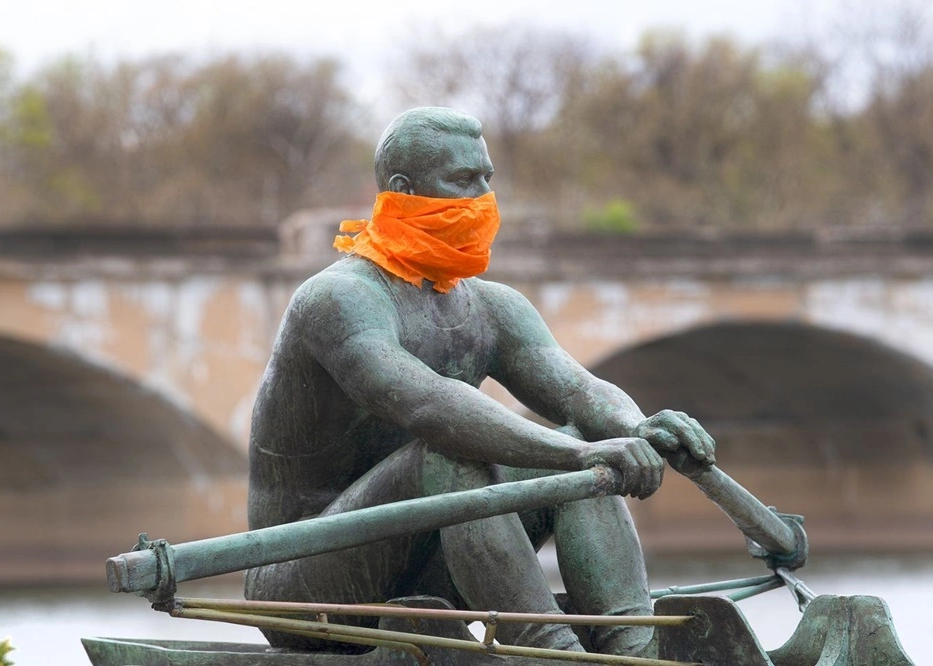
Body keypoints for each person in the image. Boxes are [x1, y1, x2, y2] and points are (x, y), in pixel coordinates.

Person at [244, 106, 716, 657]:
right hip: (301, 585)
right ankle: (552, 652)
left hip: (424, 563)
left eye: (487, 178)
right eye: (464, 180)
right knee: (452, 455)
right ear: (404, 189)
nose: (484, 196)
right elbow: (431, 407)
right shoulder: (338, 298)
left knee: (582, 443)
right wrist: (577, 454)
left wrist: (635, 428)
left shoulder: (492, 306)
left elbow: (578, 391)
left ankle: (634, 648)